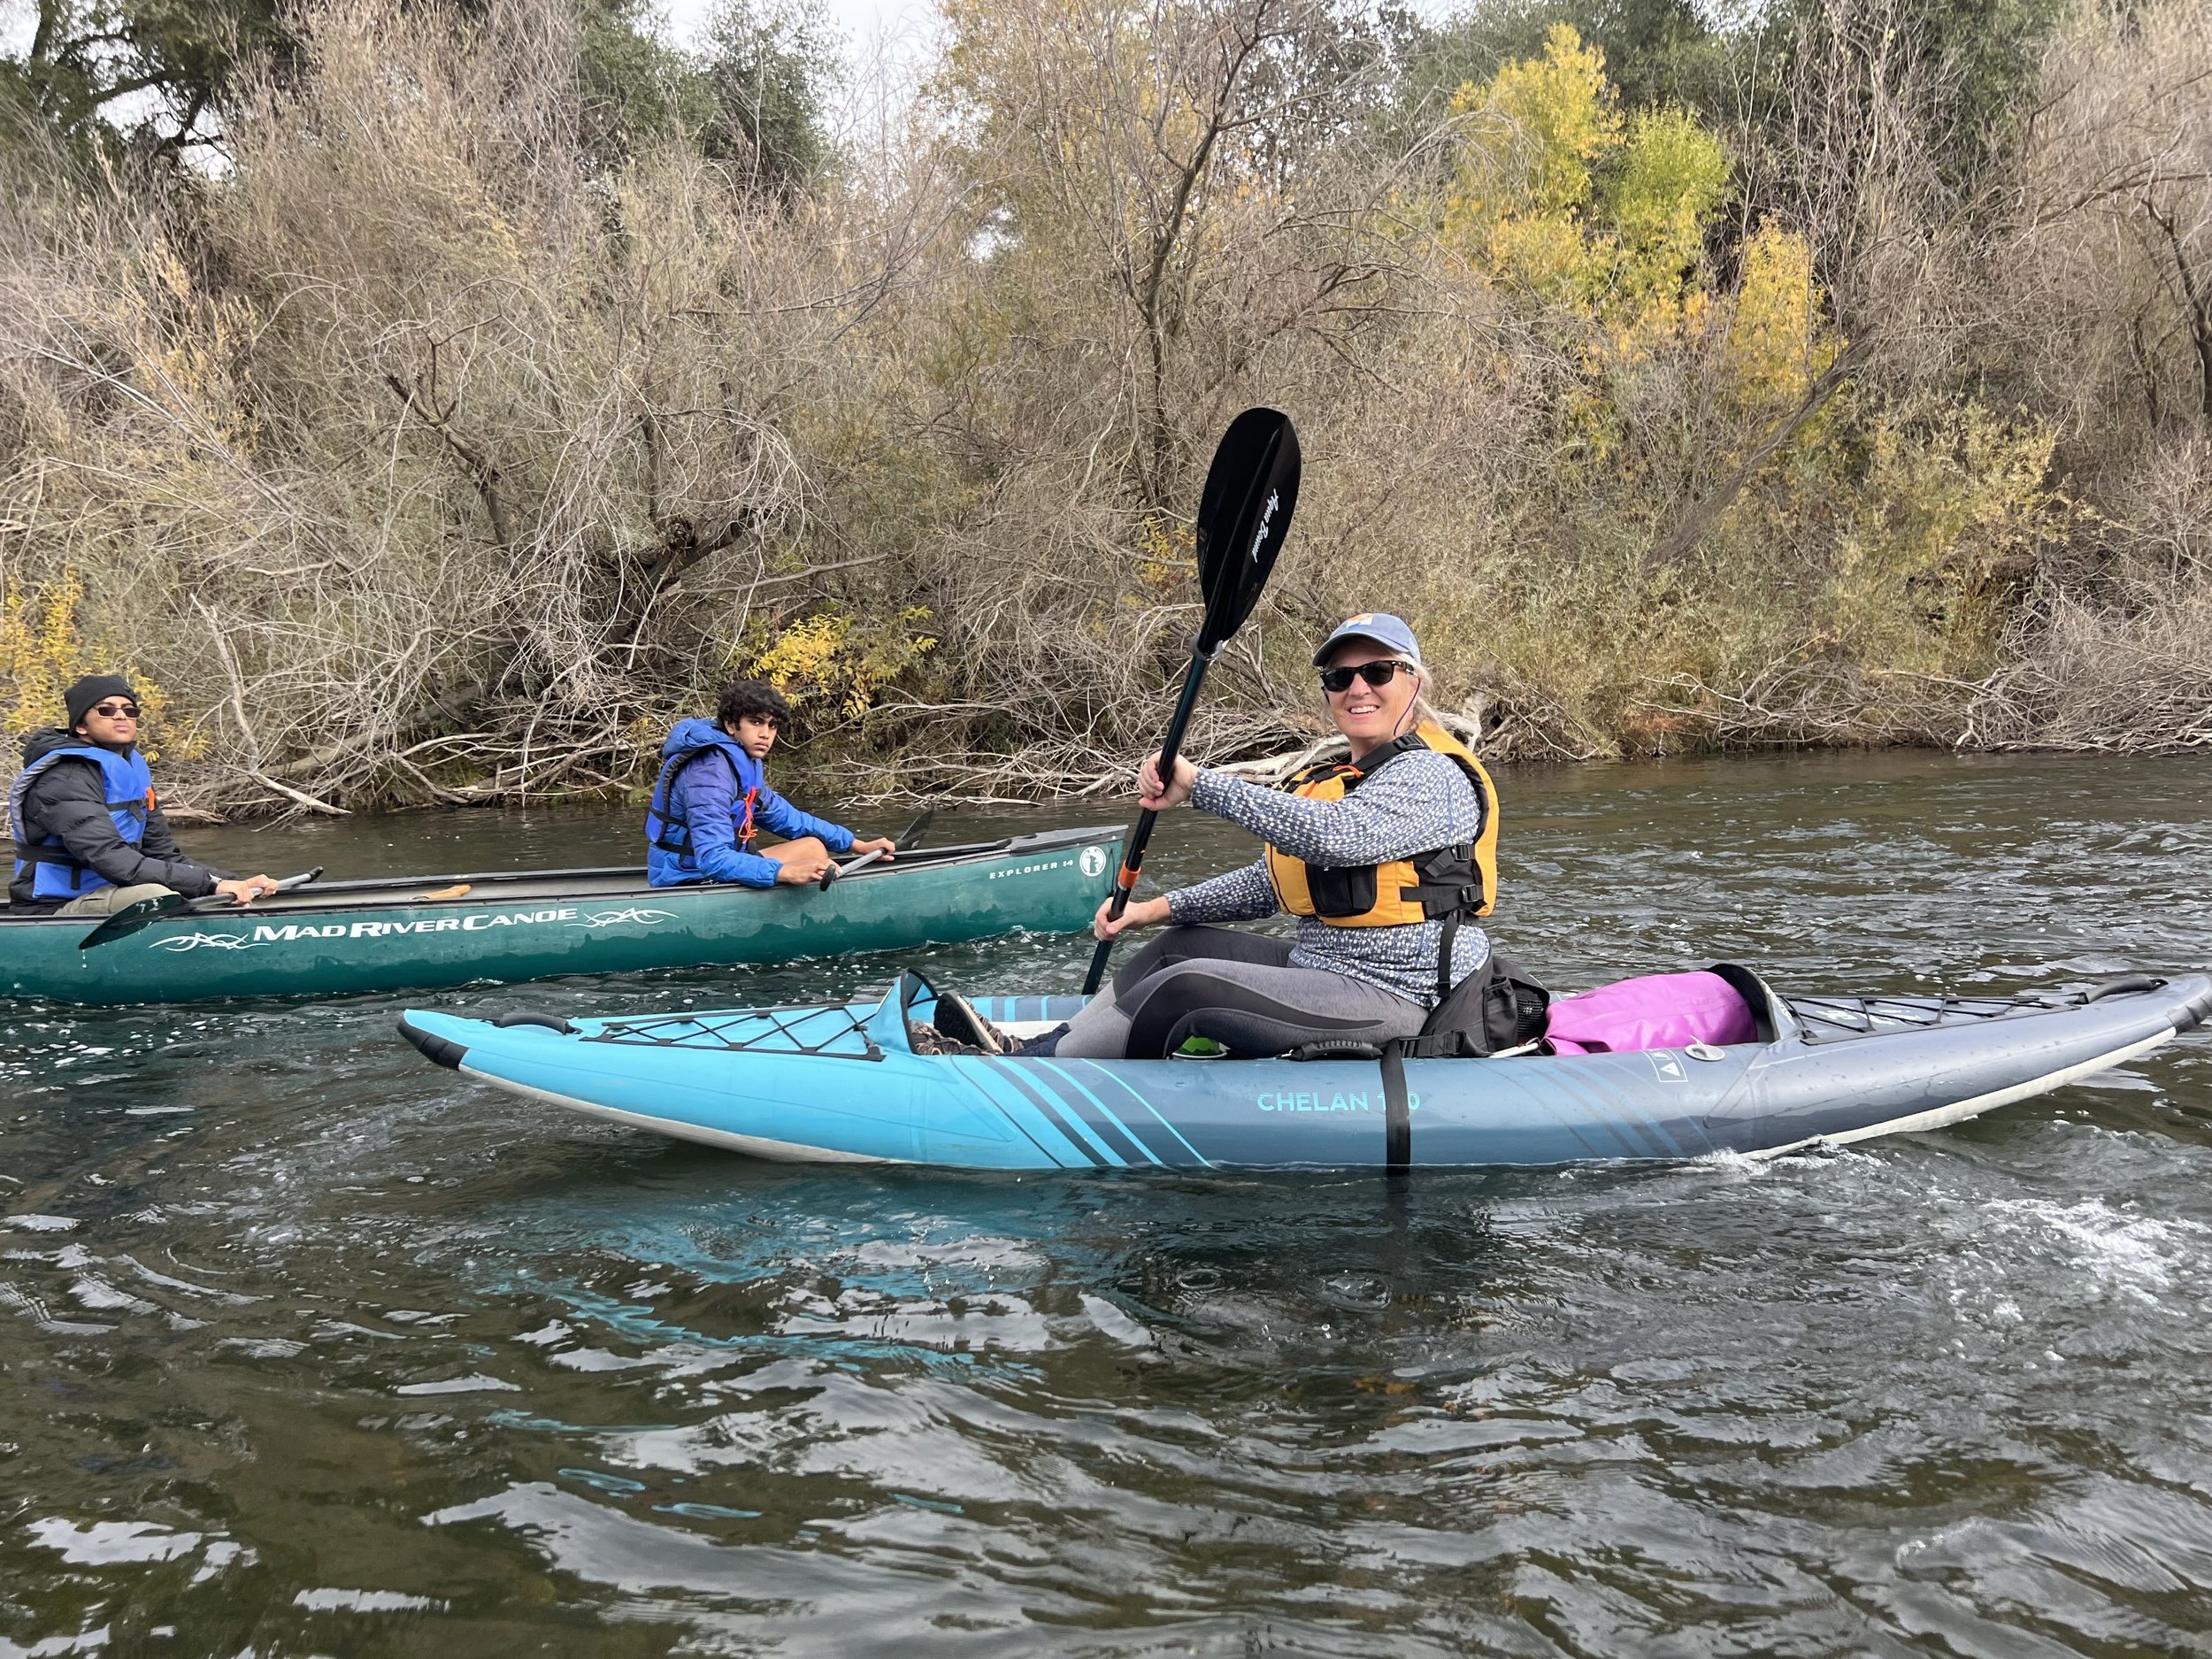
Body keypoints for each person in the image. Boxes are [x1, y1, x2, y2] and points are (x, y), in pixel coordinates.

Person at [1048, 613, 1499, 1059]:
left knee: (1188, 987)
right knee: (1176, 948)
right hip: (1320, 966)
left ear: (1414, 682)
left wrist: (1200, 786)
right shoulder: (1351, 778)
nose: (1358, 688)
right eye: (1340, 677)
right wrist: (1150, 911)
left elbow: (1337, 837)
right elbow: (1272, 883)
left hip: (1401, 994)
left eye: (1378, 671)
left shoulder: (1431, 774)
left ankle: (1055, 1066)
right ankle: (1051, 1044)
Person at [8, 675, 278, 916]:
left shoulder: (132, 770)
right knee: (156, 895)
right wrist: (209, 885)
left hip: (116, 891)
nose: (121, 716)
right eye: (106, 710)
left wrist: (232, 881)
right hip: (56, 905)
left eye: (129, 710)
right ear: (81, 726)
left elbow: (164, 855)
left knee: (183, 889)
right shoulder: (63, 778)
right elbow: (110, 858)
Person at [646, 680, 899, 888]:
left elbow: (789, 819)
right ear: (731, 725)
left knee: (812, 848)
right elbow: (713, 859)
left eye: (772, 725)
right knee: (809, 863)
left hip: (716, 864)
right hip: (687, 877)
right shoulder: (708, 772)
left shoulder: (742, 761)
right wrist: (784, 872)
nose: (765, 734)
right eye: (756, 722)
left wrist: (858, 845)